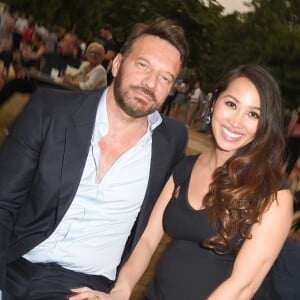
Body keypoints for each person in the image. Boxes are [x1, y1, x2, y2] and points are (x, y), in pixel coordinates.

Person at [0, 18, 189, 299]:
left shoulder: (171, 141)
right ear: (117, 64)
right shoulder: (51, 111)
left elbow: (153, 231)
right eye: (143, 65)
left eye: (165, 78)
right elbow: (3, 202)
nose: (150, 83)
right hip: (14, 258)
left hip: (81, 287)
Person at [70, 64, 293, 300]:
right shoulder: (186, 167)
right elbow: (147, 240)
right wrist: (121, 290)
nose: (236, 122)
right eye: (231, 104)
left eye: (253, 114)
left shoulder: (274, 195)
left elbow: (242, 286)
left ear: (265, 124)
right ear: (215, 102)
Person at [0, 31, 80, 107]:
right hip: (37, 83)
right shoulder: (48, 55)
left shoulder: (76, 64)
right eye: (66, 41)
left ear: (74, 47)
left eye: (71, 43)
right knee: (13, 83)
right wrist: (21, 70)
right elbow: (34, 67)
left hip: (54, 90)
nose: (68, 44)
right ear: (61, 42)